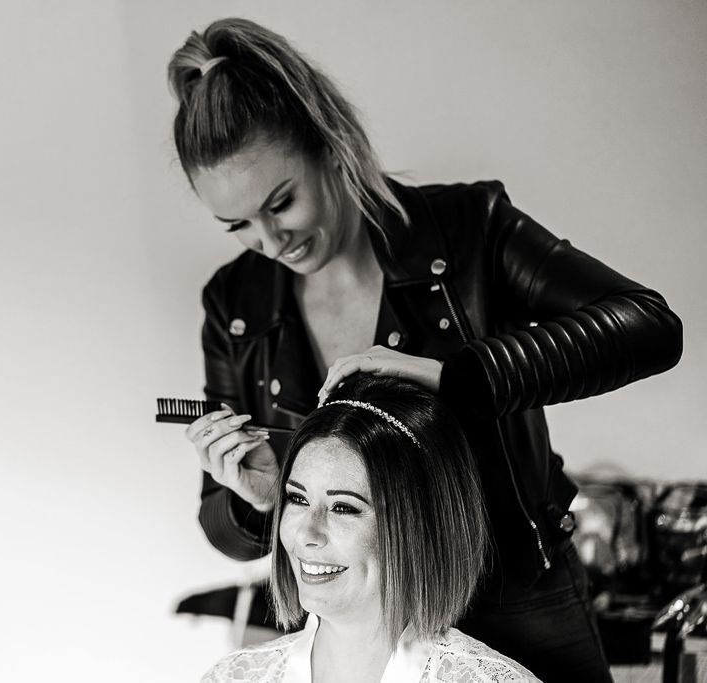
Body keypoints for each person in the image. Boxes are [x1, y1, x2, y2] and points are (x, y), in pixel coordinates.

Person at [169, 17, 683, 683]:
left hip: (517, 596)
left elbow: (648, 324)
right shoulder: (235, 303)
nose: (272, 242)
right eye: (238, 225)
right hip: (357, 622)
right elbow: (227, 525)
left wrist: (459, 377)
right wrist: (254, 499)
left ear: (329, 144)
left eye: (282, 203)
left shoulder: (469, 230)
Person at [202, 375, 541, 682]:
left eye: (344, 508)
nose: (306, 534)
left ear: (416, 526)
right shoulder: (234, 677)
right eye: (298, 499)